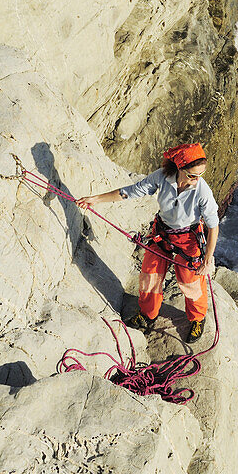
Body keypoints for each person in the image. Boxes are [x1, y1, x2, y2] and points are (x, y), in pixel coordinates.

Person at [76, 142, 219, 343]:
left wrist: (207, 259)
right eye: (193, 175)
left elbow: (213, 226)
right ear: (180, 168)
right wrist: (96, 199)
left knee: (191, 281)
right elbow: (130, 192)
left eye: (201, 175)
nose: (197, 180)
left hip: (189, 239)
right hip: (163, 233)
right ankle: (148, 315)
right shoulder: (161, 177)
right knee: (150, 275)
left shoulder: (202, 191)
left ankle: (197, 318)